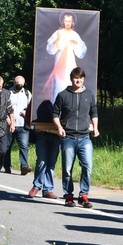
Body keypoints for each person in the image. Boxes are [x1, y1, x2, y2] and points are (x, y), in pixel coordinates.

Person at [52, 67, 99, 208]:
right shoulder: (62, 95)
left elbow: (94, 112)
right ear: (71, 79)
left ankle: (83, 195)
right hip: (68, 138)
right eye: (75, 78)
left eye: (80, 78)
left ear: (83, 79)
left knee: (88, 166)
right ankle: (68, 195)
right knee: (67, 169)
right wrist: (59, 127)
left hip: (85, 137)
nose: (78, 80)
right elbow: (55, 113)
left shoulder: (89, 95)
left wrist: (95, 128)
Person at [45, 11, 87, 103]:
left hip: (70, 62)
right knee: (59, 82)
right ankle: (57, 105)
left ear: (72, 22)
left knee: (70, 80)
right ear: (63, 21)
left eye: (69, 21)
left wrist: (77, 44)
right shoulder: (58, 33)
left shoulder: (74, 34)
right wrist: (56, 41)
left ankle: (69, 104)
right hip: (59, 61)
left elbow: (81, 51)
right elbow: (50, 49)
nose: (68, 23)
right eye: (66, 21)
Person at [28, 99, 60, 199]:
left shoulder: (62, 97)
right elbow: (28, 117)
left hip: (56, 136)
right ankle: (37, 185)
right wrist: (33, 127)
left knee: (51, 162)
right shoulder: (37, 98)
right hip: (41, 134)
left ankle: (48, 189)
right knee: (41, 161)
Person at [3, 75, 33, 175]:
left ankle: (24, 166)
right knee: (7, 146)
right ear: (14, 83)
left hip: (23, 125)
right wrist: (6, 117)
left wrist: (26, 112)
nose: (19, 86)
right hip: (9, 124)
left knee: (24, 146)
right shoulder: (7, 93)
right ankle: (7, 166)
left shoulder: (27, 94)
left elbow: (31, 107)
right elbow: (3, 107)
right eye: (17, 84)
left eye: (21, 84)